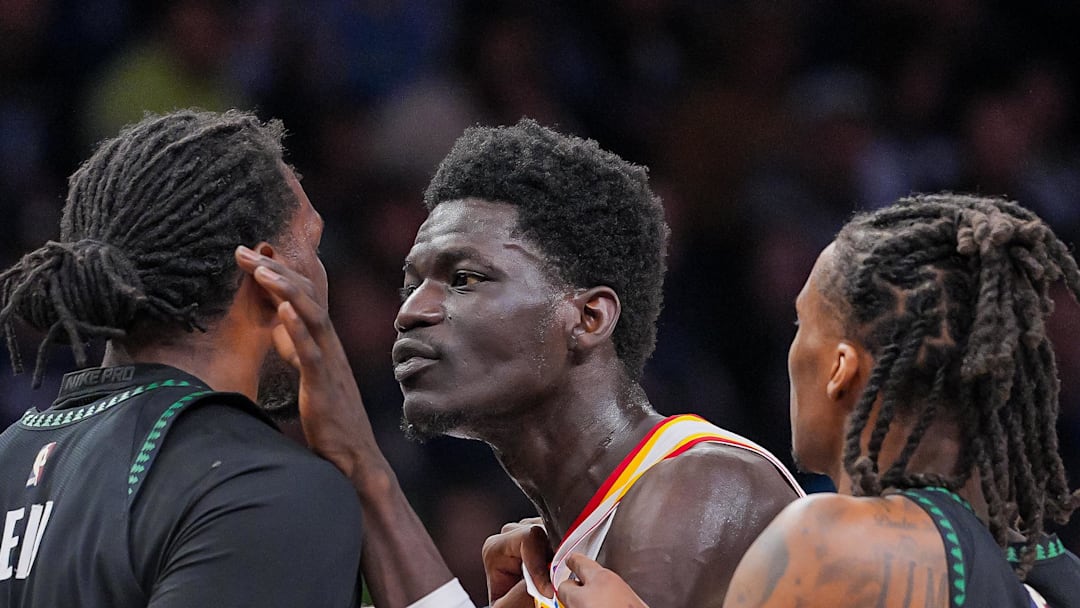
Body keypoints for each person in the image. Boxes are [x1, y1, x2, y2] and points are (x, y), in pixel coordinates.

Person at [243, 118, 803, 608]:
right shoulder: (558, 547)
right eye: (411, 285)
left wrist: (361, 463)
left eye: (464, 279)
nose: (411, 311)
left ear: (588, 318)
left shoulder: (696, 489)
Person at [525, 194, 1080, 607]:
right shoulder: (1062, 576)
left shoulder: (831, 544)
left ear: (841, 369)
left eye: (802, 324)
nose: (792, 350)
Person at [0, 110, 362, 607]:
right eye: (313, 244)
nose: (322, 275)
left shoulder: (8, 457)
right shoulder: (260, 485)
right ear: (267, 274)